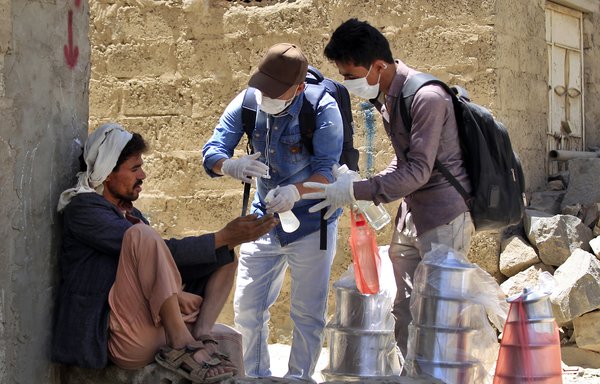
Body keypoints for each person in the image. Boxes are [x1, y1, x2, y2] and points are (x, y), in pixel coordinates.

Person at [303, 18, 475, 362]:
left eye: (351, 76)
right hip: (412, 215)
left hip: (444, 216)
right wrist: (356, 184)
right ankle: (413, 372)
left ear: (378, 66)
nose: (348, 83)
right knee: (406, 307)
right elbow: (402, 163)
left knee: (440, 315)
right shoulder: (389, 98)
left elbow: (418, 171)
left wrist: (359, 191)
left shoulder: (426, 97)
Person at [51, 123, 278, 383]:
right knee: (144, 236)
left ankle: (201, 333)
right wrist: (223, 235)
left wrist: (225, 243)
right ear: (107, 173)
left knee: (224, 256)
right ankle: (181, 342)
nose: (143, 175)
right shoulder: (83, 209)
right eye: (135, 168)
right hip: (120, 335)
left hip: (150, 325)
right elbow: (158, 250)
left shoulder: (132, 215)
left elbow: (162, 258)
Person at [202, 43, 344, 381]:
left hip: (313, 223)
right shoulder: (250, 101)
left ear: (298, 89)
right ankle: (254, 375)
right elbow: (213, 150)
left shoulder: (323, 108)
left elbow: (327, 169)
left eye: (277, 93)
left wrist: (296, 191)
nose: (268, 98)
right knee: (248, 308)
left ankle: (299, 377)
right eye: (264, 89)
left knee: (307, 313)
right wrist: (230, 165)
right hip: (262, 220)